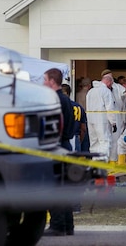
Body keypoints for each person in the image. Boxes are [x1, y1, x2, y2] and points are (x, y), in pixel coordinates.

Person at [43, 68, 76, 236]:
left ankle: (57, 225)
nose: (43, 83)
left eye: (44, 80)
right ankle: (67, 225)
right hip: (65, 146)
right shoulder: (65, 100)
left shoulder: (55, 100)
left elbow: (53, 126)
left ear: (52, 81)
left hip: (56, 146)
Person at [85, 73, 117, 161]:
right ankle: (102, 163)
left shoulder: (91, 91)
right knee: (104, 142)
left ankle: (95, 162)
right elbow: (110, 108)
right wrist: (113, 122)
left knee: (94, 142)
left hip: (91, 119)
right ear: (109, 82)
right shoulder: (106, 91)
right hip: (102, 120)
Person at [63, 83, 89, 152]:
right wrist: (80, 140)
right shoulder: (78, 107)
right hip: (76, 137)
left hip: (63, 139)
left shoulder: (60, 106)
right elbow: (83, 128)